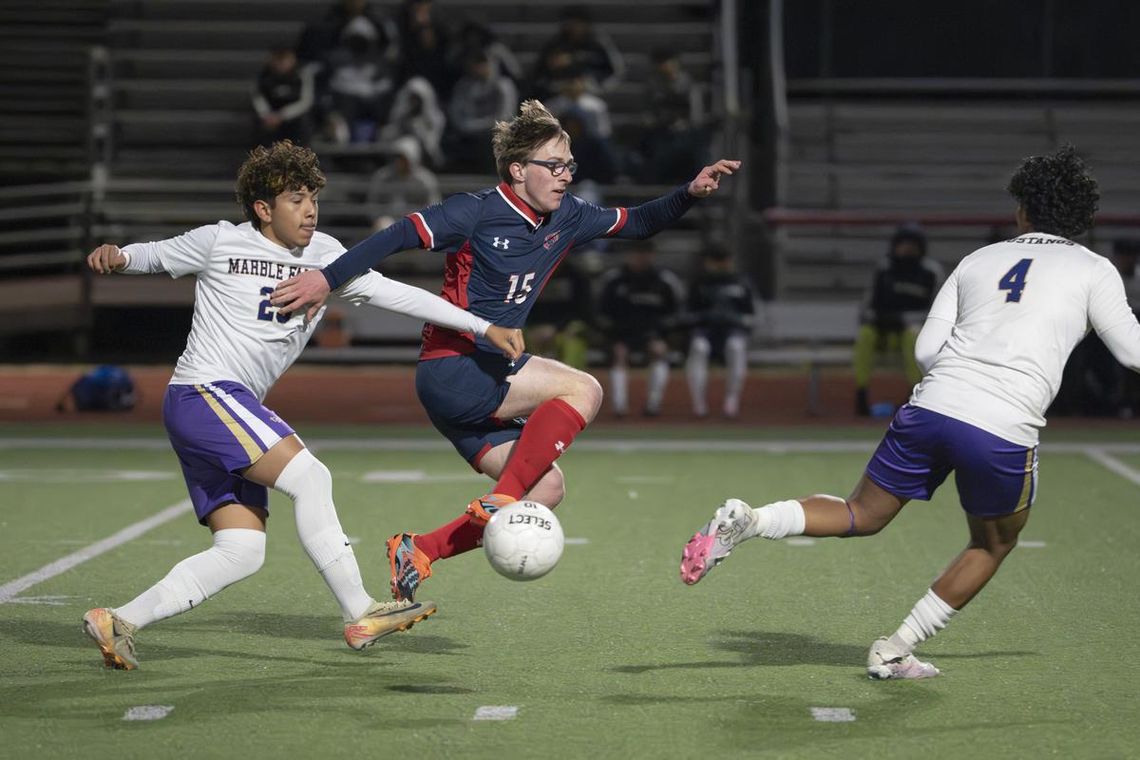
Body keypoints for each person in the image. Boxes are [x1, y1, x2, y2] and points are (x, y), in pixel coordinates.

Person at [679, 145, 1140, 680]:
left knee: (862, 513)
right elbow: (1132, 353)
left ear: (1023, 210)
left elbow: (924, 352)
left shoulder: (977, 260)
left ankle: (752, 520)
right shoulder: (1095, 269)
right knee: (994, 542)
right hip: (1001, 425)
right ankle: (895, 648)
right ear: (1082, 215)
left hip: (932, 404)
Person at [272, 100, 738, 602]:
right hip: (454, 370)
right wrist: (326, 277)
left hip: (487, 382)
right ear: (518, 170)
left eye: (569, 166)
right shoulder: (473, 212)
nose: (565, 176)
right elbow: (394, 237)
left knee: (548, 489)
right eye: (554, 166)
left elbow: (640, 223)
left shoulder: (571, 216)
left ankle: (420, 549)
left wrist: (689, 192)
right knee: (584, 388)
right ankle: (501, 498)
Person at [80, 141, 523, 670]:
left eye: (313, 197)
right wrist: (119, 255)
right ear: (264, 209)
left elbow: (398, 294)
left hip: (219, 409)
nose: (310, 209)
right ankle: (360, 610)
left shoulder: (327, 258)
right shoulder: (219, 241)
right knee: (311, 478)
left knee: (241, 551)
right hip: (205, 394)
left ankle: (120, 619)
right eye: (296, 198)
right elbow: (152, 254)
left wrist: (481, 325)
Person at [853, 224, 943, 416]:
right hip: (883, 332)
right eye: (903, 244)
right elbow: (866, 307)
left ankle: (913, 392)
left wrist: (904, 319)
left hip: (911, 333)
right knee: (865, 334)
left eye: (912, 244)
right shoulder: (883, 268)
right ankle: (861, 393)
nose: (907, 248)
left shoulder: (930, 272)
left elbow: (936, 311)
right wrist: (880, 318)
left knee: (912, 335)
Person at [596, 240, 684, 417]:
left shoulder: (664, 281)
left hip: (653, 334)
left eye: (644, 253)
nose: (640, 258)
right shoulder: (614, 280)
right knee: (619, 354)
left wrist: (662, 336)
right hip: (621, 335)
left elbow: (676, 313)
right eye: (636, 253)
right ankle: (619, 408)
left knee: (658, 352)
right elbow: (601, 313)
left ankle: (653, 405)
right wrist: (614, 337)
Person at [683, 242, 755, 419]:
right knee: (699, 348)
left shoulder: (740, 282)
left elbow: (751, 314)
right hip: (706, 330)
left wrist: (734, 319)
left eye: (723, 260)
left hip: (732, 330)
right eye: (715, 261)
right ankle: (699, 405)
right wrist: (707, 317)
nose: (720, 264)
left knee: (736, 347)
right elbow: (687, 313)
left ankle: (732, 401)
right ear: (707, 262)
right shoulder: (699, 283)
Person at [251, 48, 316, 148]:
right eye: (278, 61)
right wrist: (266, 114)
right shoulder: (264, 75)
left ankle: (300, 151)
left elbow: (306, 101)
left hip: (292, 115)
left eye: (285, 61)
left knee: (304, 121)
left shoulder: (301, 75)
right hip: (270, 115)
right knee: (259, 123)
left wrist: (283, 115)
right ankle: (264, 154)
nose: (282, 65)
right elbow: (258, 98)